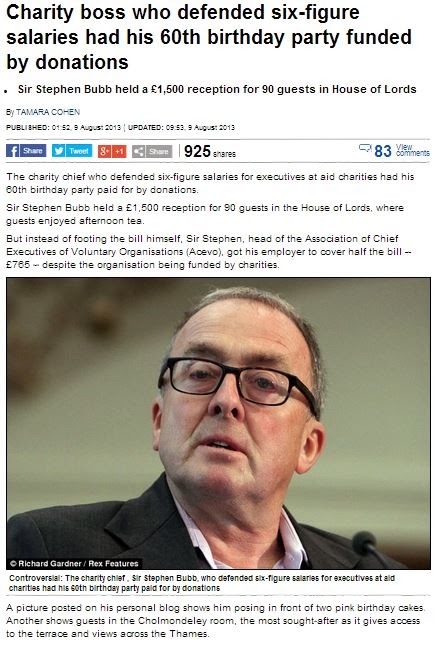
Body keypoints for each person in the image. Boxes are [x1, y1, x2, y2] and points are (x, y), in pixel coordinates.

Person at [7, 286, 405, 569]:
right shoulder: (50, 549)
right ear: (159, 421)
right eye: (200, 373)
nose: (225, 400)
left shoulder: (374, 578)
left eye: (263, 382)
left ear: (308, 446)